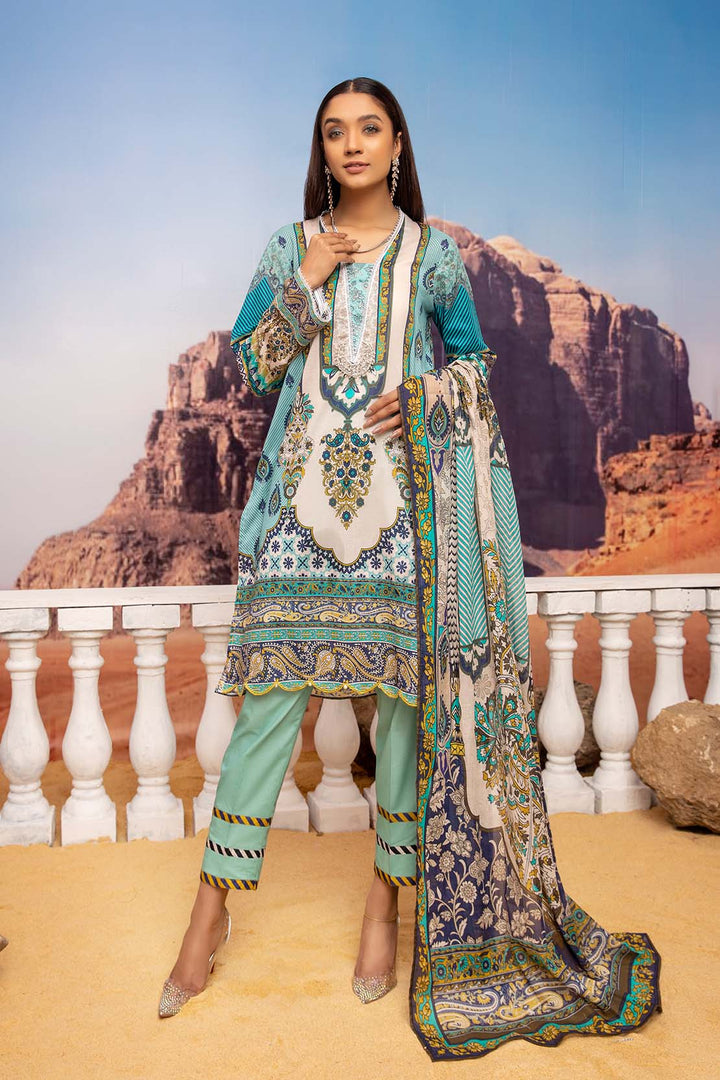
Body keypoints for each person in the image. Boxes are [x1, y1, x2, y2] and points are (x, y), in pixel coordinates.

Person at [158, 77, 662, 1060]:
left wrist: (430, 393)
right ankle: (207, 917)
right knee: (267, 712)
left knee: (400, 717)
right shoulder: (288, 246)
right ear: (323, 150)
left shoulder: (432, 258)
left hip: (403, 520)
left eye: (369, 129)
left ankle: (384, 909)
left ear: (397, 145)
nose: (352, 145)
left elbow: (475, 366)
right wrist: (308, 276)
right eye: (334, 132)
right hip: (297, 513)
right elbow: (255, 367)